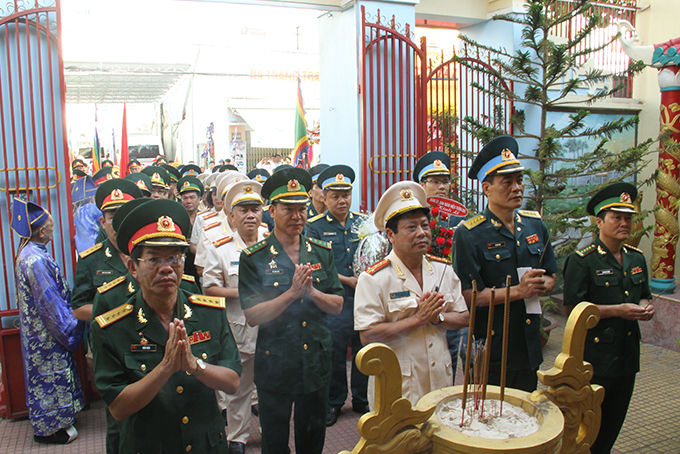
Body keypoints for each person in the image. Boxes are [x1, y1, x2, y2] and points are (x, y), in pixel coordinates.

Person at [90, 198, 242, 454]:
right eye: (154, 260)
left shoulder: (209, 312)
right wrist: (165, 369)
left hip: (207, 445)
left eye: (174, 258)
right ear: (133, 267)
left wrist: (195, 366)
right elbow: (117, 407)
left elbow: (233, 382)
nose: (166, 269)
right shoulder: (112, 327)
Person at [238, 167, 344, 454]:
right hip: (276, 364)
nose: (298, 216)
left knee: (312, 438)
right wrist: (291, 294)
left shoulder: (322, 252)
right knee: (274, 441)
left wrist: (312, 293)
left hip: (316, 362)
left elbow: (337, 305)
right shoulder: (254, 258)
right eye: (289, 209)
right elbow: (252, 315)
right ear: (271, 211)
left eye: (303, 209)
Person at [452, 135, 557, 392]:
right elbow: (468, 295)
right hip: (492, 345)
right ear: (486, 188)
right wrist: (518, 292)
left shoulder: (535, 224)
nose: (517, 188)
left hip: (528, 342)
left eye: (520, 180)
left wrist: (542, 285)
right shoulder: (469, 233)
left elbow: (552, 274)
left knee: (525, 415)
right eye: (507, 182)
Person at [354, 181, 469, 406]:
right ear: (391, 235)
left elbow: (464, 317)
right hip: (397, 385)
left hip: (440, 381)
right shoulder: (374, 279)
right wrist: (418, 320)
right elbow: (368, 335)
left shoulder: (443, 269)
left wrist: (438, 318)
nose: (422, 233)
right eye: (411, 228)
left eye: (425, 226)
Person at [563, 182, 654, 454]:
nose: (624, 223)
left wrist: (645, 307)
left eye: (628, 218)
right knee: (588, 428)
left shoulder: (636, 258)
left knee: (613, 424)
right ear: (600, 222)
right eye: (617, 218)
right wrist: (619, 310)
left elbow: (645, 294)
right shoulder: (584, 260)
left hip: (626, 357)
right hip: (595, 358)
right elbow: (572, 310)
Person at [11, 197, 85, 444]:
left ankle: (61, 419)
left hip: (39, 331)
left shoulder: (29, 252)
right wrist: (70, 326)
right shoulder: (36, 260)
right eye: (51, 228)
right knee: (49, 378)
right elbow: (48, 301)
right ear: (41, 231)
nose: (53, 232)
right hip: (46, 333)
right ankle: (50, 428)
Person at [203, 180, 269, 454]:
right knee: (240, 387)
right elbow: (209, 287)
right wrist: (243, 293)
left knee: (271, 385)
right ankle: (238, 437)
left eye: (255, 208)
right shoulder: (221, 248)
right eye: (243, 210)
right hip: (239, 328)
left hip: (275, 329)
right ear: (231, 215)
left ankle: (272, 430)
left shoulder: (273, 243)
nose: (251, 215)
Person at [307, 165, 369, 426]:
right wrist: (348, 280)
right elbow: (316, 264)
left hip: (363, 297)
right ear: (324, 197)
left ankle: (361, 398)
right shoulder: (315, 227)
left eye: (346, 194)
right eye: (335, 195)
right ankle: (334, 402)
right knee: (334, 352)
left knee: (362, 347)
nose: (342, 200)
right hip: (335, 299)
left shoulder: (363, 223)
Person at [413, 151, 467, 381]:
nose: (442, 187)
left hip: (449, 300)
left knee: (449, 358)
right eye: (435, 181)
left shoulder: (458, 219)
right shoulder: (410, 216)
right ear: (421, 184)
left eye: (445, 181)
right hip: (416, 299)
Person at [72, 179, 143, 322]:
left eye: (124, 217)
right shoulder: (90, 260)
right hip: (107, 339)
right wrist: (119, 314)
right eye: (113, 218)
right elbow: (79, 309)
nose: (119, 225)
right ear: (103, 223)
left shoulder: (150, 253)